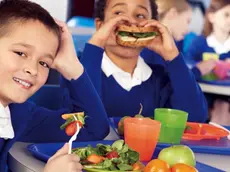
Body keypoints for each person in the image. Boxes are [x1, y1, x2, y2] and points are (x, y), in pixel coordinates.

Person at [0, 0, 109, 171]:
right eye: (20, 53)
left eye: (44, 63)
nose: (33, 70)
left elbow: (93, 128)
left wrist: (72, 67)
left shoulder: (18, 113)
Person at [61, 0, 208, 122]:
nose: (130, 21)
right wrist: (96, 44)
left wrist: (173, 57)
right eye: (118, 13)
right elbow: (81, 120)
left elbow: (195, 119)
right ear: (100, 26)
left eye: (140, 15)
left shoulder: (160, 79)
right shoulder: (76, 71)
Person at [186, 0, 230, 125]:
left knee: (222, 106)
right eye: (226, 15)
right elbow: (187, 65)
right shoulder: (199, 43)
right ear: (211, 16)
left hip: (226, 97)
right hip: (204, 95)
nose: (229, 20)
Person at [142, 0, 193, 66]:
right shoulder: (148, 45)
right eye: (187, 21)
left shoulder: (176, 42)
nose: (188, 30)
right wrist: (198, 70)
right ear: (173, 13)